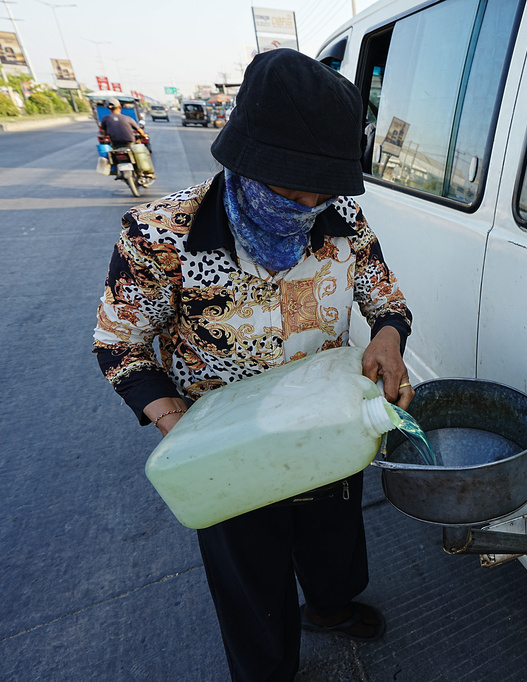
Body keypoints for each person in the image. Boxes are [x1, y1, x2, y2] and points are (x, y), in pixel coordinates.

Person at [93, 49, 414, 681]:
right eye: (291, 187)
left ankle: (327, 606)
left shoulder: (341, 218)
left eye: (322, 187)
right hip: (229, 447)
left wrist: (388, 338)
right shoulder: (160, 234)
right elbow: (119, 345)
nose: (309, 201)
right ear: (243, 159)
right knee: (250, 576)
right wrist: (174, 421)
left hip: (327, 424)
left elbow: (385, 298)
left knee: (333, 537)